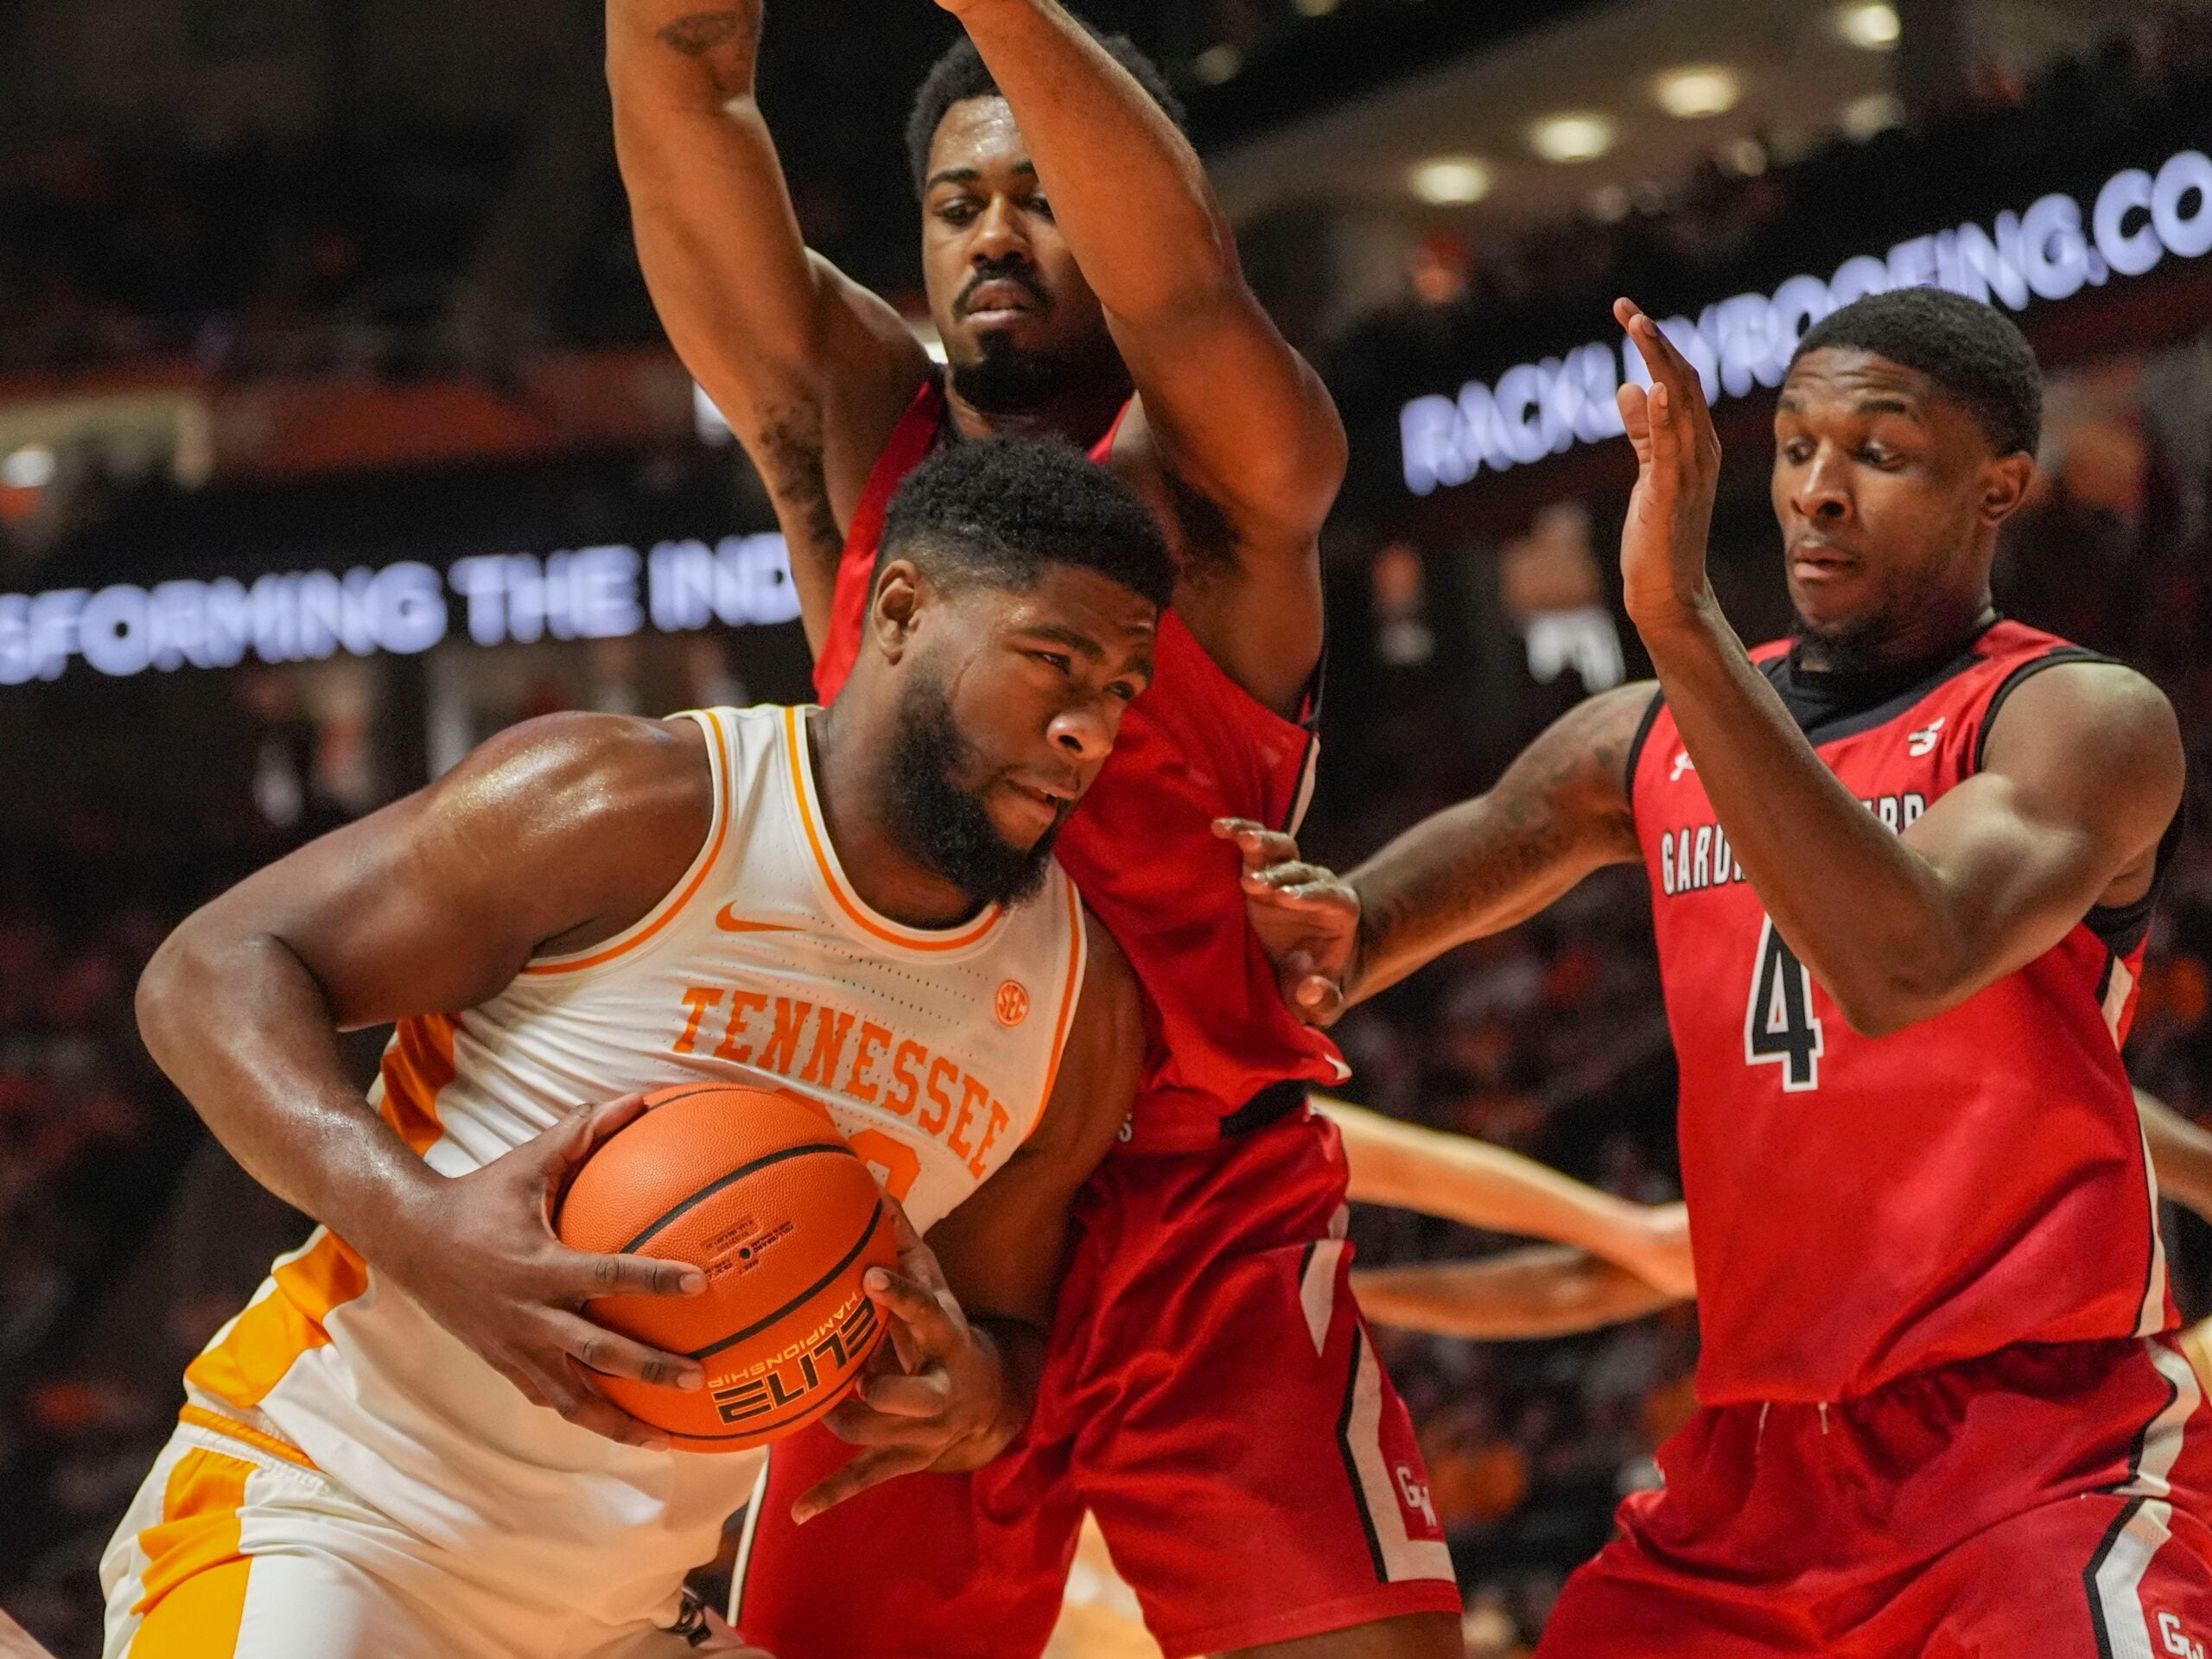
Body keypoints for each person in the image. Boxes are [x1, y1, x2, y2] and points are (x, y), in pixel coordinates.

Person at [610, 0, 1474, 1652]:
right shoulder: (862, 435)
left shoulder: (1221, 465)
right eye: (955, 206)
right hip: (915, 1198)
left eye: (1041, 193)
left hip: (1199, 1217)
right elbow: (680, 73)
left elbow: (1189, 285)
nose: (994, 236)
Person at [1229, 286, 2212, 1654]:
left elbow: (1901, 957)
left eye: (1879, 453)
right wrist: (1324, 932)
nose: (1817, 489)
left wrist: (1676, 619)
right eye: (1797, 446)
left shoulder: (2072, 720)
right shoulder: (1646, 739)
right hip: (1755, 1475)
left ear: (2002, 488)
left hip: (2034, 1451)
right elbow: (1399, 905)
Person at [99, 440, 1161, 1659]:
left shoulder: (1079, 1011)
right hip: (330, 1514)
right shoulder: (635, 807)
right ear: (906, 610)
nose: (1089, 728)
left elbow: (1006, 1331)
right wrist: (417, 1222)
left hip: (620, 1616)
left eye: (1123, 689)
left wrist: (973, 1396)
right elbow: (207, 971)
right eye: (1053, 662)